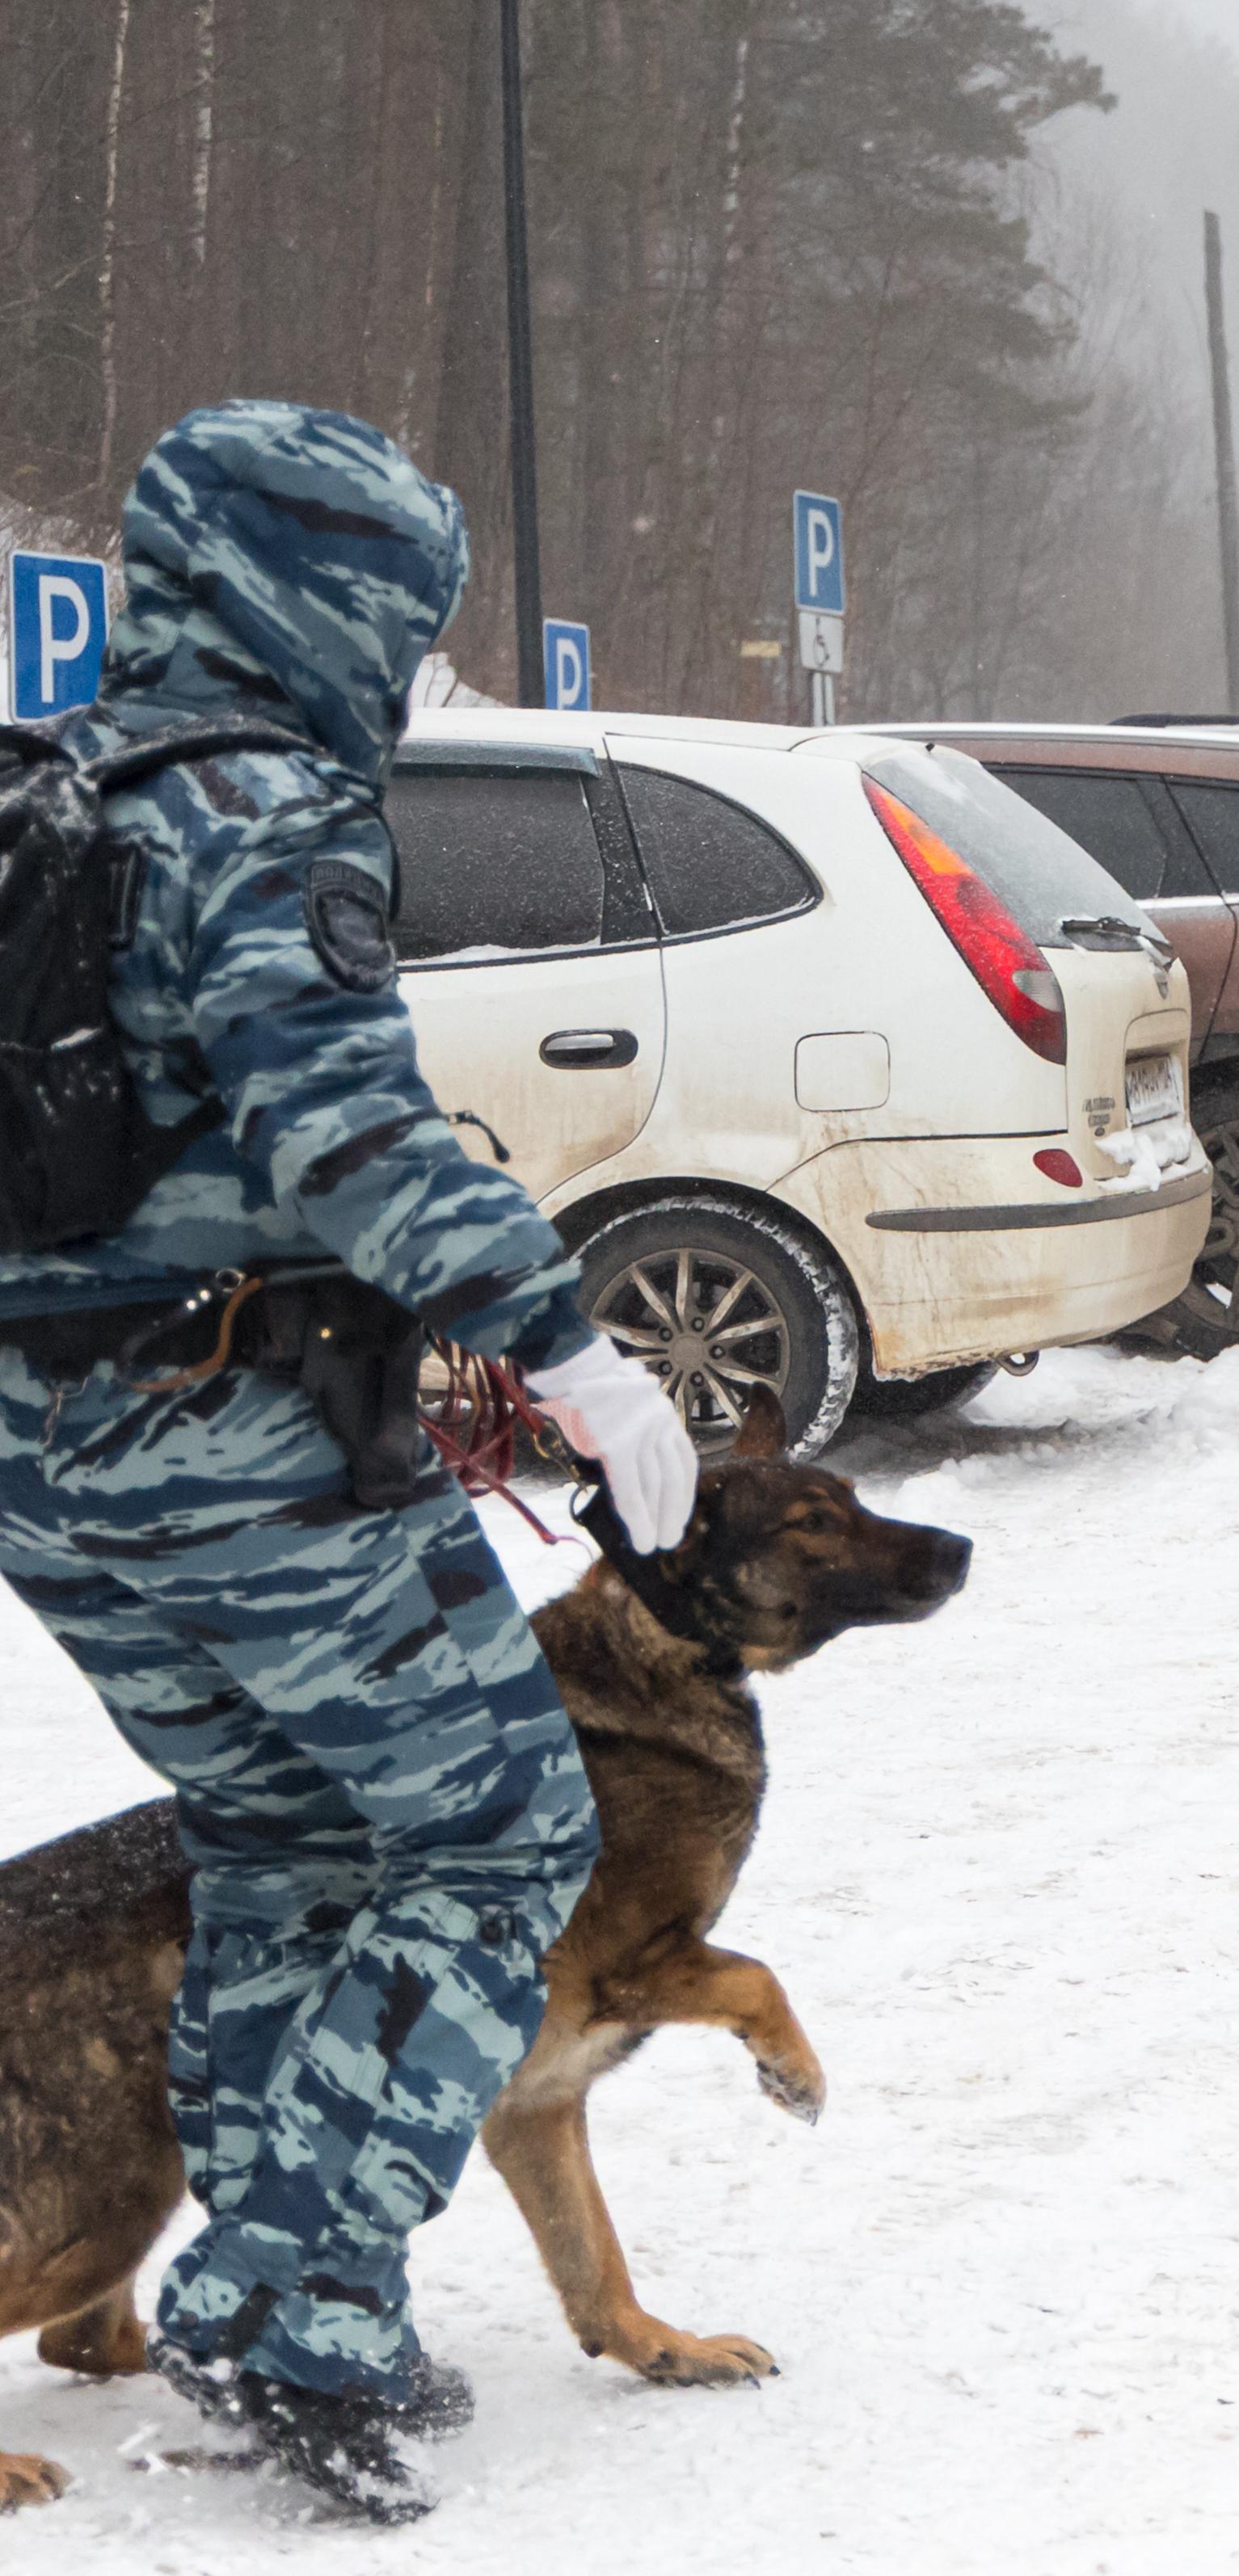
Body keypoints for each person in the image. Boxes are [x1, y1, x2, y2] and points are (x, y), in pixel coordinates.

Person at [0, 403, 698, 2522]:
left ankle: (284, 2275)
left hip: (52, 1462)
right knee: (502, 1832)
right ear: (322, 594)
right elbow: (345, 1134)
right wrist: (573, 1350)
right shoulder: (262, 812)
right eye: (398, 614)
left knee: (282, 1832)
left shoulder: (44, 794)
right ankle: (298, 2292)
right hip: (248, 1448)